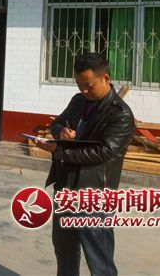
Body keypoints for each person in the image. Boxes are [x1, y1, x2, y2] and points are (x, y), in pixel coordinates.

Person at [35, 53, 135, 276]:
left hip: (94, 193)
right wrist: (61, 131)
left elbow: (103, 151)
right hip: (66, 186)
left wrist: (60, 151)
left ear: (106, 78)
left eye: (89, 85)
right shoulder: (78, 101)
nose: (84, 90)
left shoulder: (121, 114)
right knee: (64, 251)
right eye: (79, 85)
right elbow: (58, 122)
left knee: (99, 259)